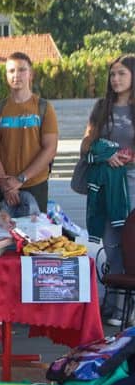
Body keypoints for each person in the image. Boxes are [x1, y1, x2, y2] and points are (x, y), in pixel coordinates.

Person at [79, 54, 135, 327]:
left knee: (131, 245)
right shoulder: (102, 107)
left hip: (132, 184)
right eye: (112, 74)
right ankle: (115, 303)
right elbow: (86, 144)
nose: (115, 79)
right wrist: (106, 154)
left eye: (122, 73)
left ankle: (128, 305)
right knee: (111, 243)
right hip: (106, 184)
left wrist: (127, 157)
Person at [0, 52, 58, 213]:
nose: (16, 75)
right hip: (3, 188)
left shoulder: (44, 108)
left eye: (21, 70)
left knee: (36, 237)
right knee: (3, 236)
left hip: (34, 185)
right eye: (11, 71)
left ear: (30, 74)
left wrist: (20, 179)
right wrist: (6, 184)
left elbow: (50, 149)